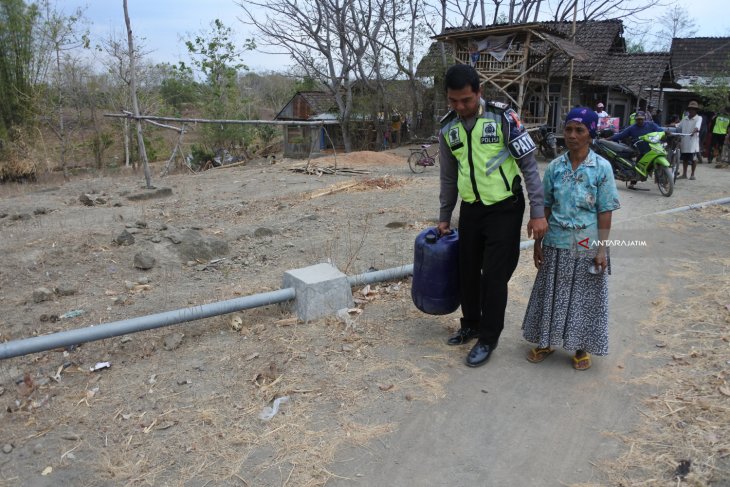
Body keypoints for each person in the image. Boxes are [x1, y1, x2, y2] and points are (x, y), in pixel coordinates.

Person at [437, 64, 548, 367]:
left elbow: (529, 166)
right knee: (468, 271)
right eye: (453, 101)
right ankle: (471, 323)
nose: (460, 107)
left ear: (479, 93)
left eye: (466, 100)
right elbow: (448, 178)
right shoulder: (449, 128)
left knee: (494, 276)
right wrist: (445, 216)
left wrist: (538, 213)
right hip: (471, 209)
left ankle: (488, 337)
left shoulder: (503, 118)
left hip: (504, 208)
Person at [522, 107, 620, 371]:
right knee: (550, 294)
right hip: (556, 241)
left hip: (587, 244)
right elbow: (546, 207)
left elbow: (605, 211)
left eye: (580, 130)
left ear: (590, 134)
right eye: (568, 129)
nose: (572, 135)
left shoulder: (601, 168)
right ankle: (546, 341)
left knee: (583, 298)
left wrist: (602, 249)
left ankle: (580, 346)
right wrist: (538, 244)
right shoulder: (555, 167)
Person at [608, 111, 663, 188]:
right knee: (637, 168)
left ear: (644, 119)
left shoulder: (651, 125)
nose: (639, 121)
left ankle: (662, 181)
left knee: (658, 164)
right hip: (640, 151)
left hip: (652, 149)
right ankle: (633, 182)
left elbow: (660, 130)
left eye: (641, 119)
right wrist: (608, 139)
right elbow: (621, 135)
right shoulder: (632, 128)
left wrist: (666, 132)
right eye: (638, 119)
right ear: (635, 120)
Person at [677, 101, 702, 180]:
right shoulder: (685, 118)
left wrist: (693, 132)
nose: (691, 110)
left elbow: (697, 127)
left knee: (693, 159)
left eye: (693, 109)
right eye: (690, 109)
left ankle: (692, 174)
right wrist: (669, 125)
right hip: (685, 141)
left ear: (696, 110)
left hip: (693, 142)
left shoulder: (699, 118)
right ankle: (684, 174)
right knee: (685, 159)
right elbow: (678, 126)